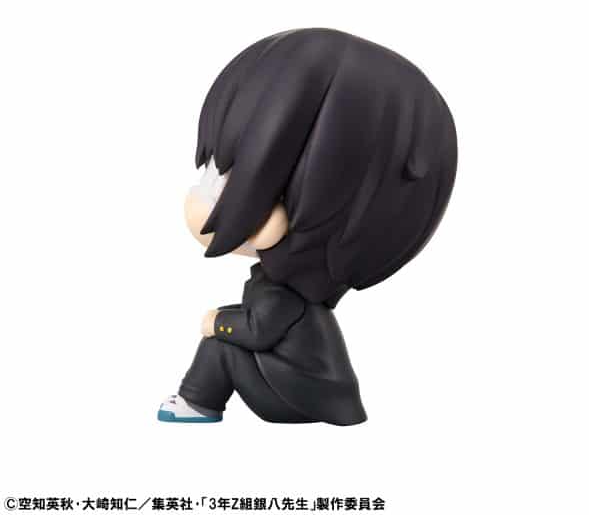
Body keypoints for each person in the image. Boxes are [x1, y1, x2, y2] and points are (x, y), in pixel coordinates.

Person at [158, 28, 457, 425]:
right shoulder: (285, 289)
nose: (206, 200)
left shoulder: (284, 293)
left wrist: (217, 322)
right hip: (308, 391)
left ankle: (196, 404)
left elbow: (259, 331)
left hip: (297, 398)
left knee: (219, 347)